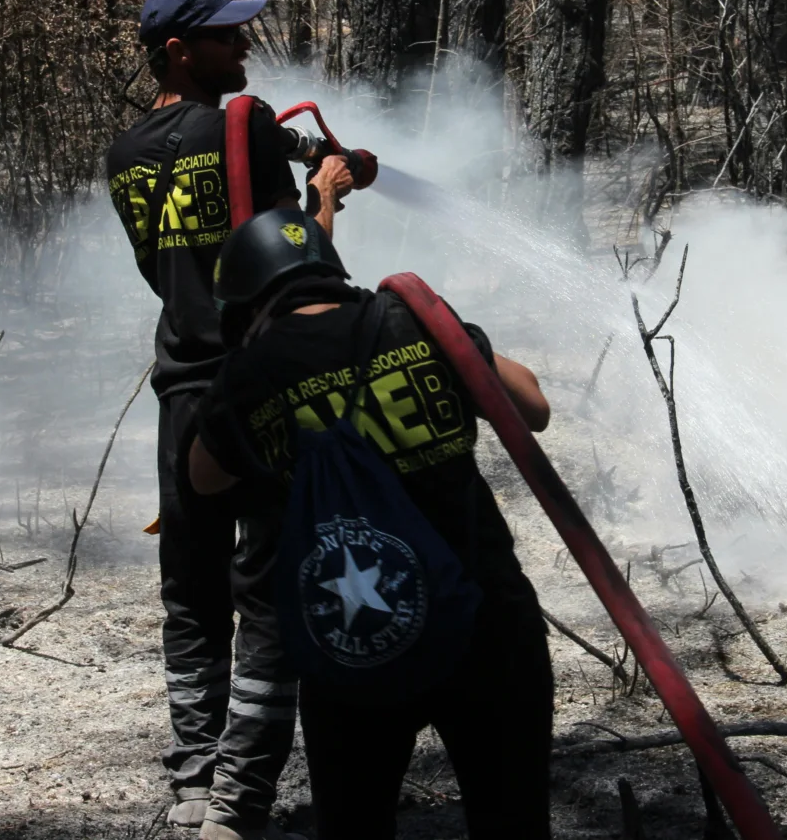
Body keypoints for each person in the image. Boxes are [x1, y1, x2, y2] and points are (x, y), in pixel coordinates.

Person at [187, 208, 556, 840]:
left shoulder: (249, 376)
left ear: (243, 305)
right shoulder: (414, 321)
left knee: (355, 824)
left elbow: (203, 478)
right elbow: (533, 406)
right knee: (512, 821)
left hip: (356, 643)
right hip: (489, 625)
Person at [105, 0, 355, 836]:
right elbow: (298, 262)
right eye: (225, 36)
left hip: (181, 392)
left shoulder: (124, 153)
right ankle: (240, 800)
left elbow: (164, 268)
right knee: (269, 590)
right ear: (178, 49)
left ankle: (192, 780)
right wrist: (326, 191)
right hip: (258, 389)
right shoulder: (244, 127)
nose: (244, 46)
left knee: (191, 588)